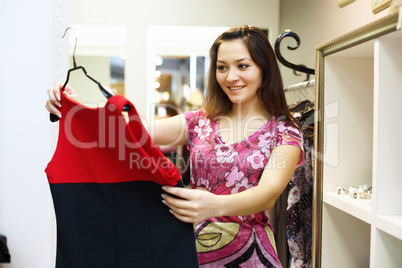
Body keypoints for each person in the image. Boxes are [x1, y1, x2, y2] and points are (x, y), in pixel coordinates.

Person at [46, 25, 304, 268]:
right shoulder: (200, 121)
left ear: (264, 69)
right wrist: (75, 108)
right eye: (222, 67)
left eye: (243, 66)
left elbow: (269, 192)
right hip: (194, 250)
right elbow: (129, 131)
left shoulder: (284, 130)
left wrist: (215, 205)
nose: (231, 76)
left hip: (251, 255)